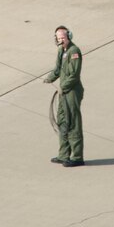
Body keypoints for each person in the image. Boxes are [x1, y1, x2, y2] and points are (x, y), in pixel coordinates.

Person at [43, 25, 84, 167]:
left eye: (62, 38)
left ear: (69, 37)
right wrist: (49, 78)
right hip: (63, 91)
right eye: (58, 38)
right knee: (62, 120)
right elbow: (57, 69)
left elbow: (74, 75)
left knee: (73, 122)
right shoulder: (61, 51)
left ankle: (77, 157)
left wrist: (63, 87)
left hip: (72, 91)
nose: (60, 40)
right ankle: (63, 154)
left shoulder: (74, 52)